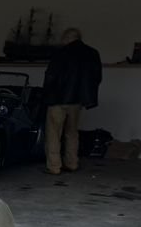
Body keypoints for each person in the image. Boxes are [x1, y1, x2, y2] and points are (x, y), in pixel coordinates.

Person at [43, 28, 102, 175]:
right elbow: (97, 77)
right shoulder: (92, 53)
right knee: (72, 133)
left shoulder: (60, 53)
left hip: (57, 99)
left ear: (67, 38)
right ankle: (72, 163)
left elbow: (51, 76)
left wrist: (45, 95)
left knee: (54, 133)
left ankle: (54, 166)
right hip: (77, 100)